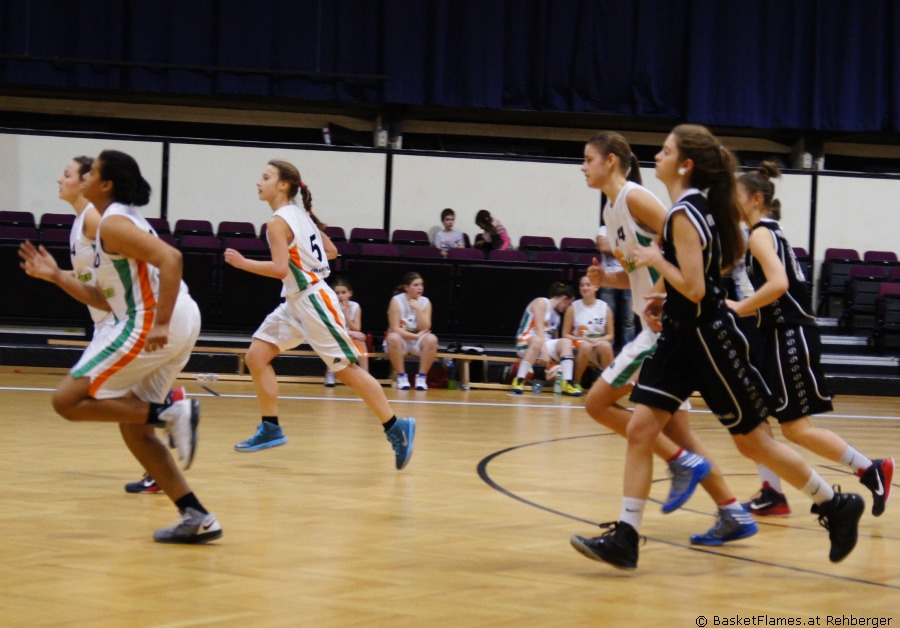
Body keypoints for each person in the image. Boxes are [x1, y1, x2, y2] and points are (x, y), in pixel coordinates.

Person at [570, 124, 864, 570]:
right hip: (678, 336)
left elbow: (695, 288)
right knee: (641, 431)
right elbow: (691, 283)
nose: (657, 156)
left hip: (710, 339)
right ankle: (627, 536)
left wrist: (656, 261)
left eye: (666, 151)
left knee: (753, 443)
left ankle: (835, 503)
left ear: (685, 165)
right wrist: (659, 294)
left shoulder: (685, 212)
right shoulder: (687, 209)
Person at [19, 149, 220, 544]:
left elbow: (172, 258)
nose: (81, 177)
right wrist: (56, 276)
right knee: (134, 429)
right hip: (169, 318)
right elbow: (102, 297)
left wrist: (160, 322)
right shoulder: (111, 221)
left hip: (151, 320)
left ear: (105, 184)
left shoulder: (109, 222)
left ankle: (172, 410)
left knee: (66, 401)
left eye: (90, 172)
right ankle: (196, 515)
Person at [577, 131, 756, 546]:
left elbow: (683, 247)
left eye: (588, 159)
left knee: (597, 403)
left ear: (610, 161)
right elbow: (641, 271)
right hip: (659, 321)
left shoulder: (636, 198)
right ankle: (732, 512)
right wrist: (608, 279)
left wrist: (665, 295)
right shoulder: (611, 211)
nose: (583, 167)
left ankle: (677, 466)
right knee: (680, 434)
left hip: (663, 328)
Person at [224, 160, 415, 469]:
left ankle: (396, 427)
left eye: (266, 177)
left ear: (283, 185)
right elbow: (332, 251)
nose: (259, 182)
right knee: (256, 357)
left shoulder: (277, 222)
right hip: (295, 301)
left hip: (313, 301)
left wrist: (243, 263)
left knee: (346, 371)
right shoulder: (299, 215)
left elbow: (280, 269)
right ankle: (270, 427)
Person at [730, 162, 893, 518]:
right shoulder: (768, 232)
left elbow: (779, 285)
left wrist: (740, 307)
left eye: (736, 195)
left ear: (755, 199)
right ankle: (772, 492)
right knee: (755, 418)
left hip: (789, 334)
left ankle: (870, 468)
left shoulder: (760, 235)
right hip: (774, 335)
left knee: (795, 429)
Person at [511, 282, 582, 396]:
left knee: (566, 342)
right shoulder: (541, 302)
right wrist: (544, 353)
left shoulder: (557, 317)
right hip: (525, 342)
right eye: (569, 303)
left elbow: (554, 340)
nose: (568, 307)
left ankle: (567, 382)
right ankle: (519, 380)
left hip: (543, 344)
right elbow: (539, 328)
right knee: (537, 340)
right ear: (564, 298)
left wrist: (559, 359)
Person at [385, 271, 439, 391]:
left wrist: (419, 310)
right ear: (407, 287)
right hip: (402, 339)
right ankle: (401, 376)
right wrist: (415, 336)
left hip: (417, 339)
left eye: (421, 285)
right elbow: (395, 328)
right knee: (393, 337)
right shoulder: (396, 301)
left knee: (432, 339)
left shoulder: (425, 302)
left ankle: (421, 377)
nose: (420, 288)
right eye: (416, 285)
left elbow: (425, 327)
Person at [562, 274, 614, 385]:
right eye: (582, 285)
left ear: (596, 287)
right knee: (586, 346)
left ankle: (607, 385)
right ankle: (575, 383)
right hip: (579, 344)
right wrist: (581, 338)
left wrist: (599, 340)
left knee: (606, 346)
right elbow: (565, 334)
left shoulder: (605, 308)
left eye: (588, 285)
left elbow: (610, 335)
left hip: (597, 343)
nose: (584, 288)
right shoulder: (573, 307)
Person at [596, 222, 635, 352]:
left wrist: (614, 248)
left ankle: (629, 354)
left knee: (629, 321)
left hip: (628, 278)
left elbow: (636, 251)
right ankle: (607, 353)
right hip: (608, 278)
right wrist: (625, 251)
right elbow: (603, 248)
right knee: (608, 319)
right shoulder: (604, 229)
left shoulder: (629, 228)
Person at [324, 276, 369, 386]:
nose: (340, 296)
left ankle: (366, 375)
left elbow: (357, 328)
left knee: (361, 341)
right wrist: (351, 333)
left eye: (343, 292)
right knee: (333, 341)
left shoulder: (355, 306)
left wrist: (345, 314)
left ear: (350, 293)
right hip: (335, 335)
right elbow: (332, 328)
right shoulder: (330, 306)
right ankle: (330, 372)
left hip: (349, 336)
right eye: (337, 293)